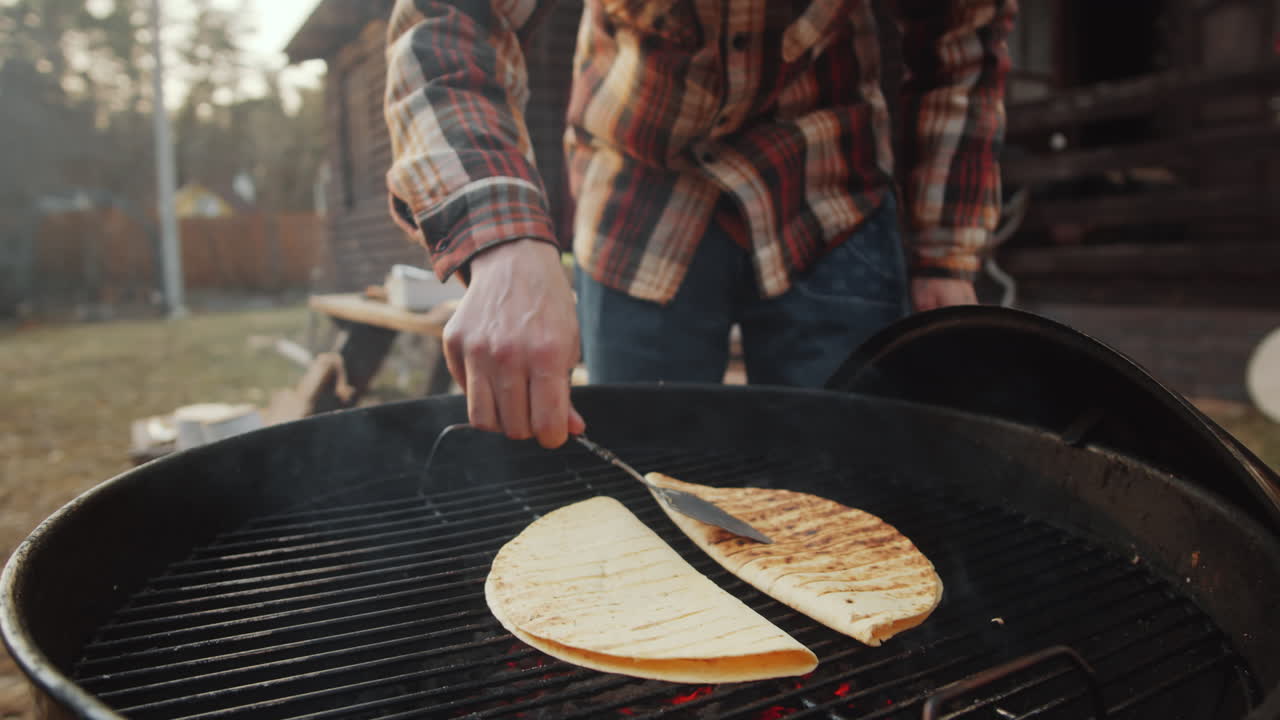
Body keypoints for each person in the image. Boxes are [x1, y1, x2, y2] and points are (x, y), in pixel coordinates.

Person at [384, 0, 1017, 449]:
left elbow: (963, 32)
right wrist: (502, 238)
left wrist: (945, 255)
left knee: (846, 477)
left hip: (828, 190)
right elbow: (450, 18)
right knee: (647, 479)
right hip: (637, 200)